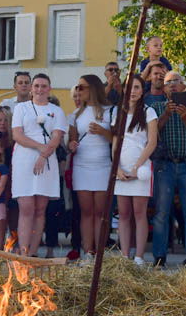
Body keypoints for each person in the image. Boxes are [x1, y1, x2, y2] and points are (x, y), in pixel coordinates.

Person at [149, 71, 186, 268]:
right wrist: (166, 114)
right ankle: (159, 256)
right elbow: (153, 134)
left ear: (183, 87)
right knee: (161, 213)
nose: (172, 85)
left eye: (176, 81)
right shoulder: (156, 108)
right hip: (163, 165)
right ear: (164, 89)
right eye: (168, 82)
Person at [11, 74, 64, 256]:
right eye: (36, 86)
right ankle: (23, 252)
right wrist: (39, 147)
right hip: (24, 160)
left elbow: (56, 137)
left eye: (43, 86)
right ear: (31, 88)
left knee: (40, 209)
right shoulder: (21, 108)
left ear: (49, 88)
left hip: (47, 162)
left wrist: (44, 154)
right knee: (26, 207)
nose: (40, 89)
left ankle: (33, 253)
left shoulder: (56, 111)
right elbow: (17, 135)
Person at [68, 75, 114, 260]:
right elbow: (72, 139)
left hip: (103, 164)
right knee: (86, 212)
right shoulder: (76, 114)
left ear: (93, 88)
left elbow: (116, 138)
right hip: (82, 164)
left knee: (100, 212)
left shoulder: (110, 110)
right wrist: (71, 145)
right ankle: (88, 253)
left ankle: (100, 254)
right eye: (78, 87)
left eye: (82, 87)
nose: (78, 91)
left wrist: (103, 131)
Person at [114, 75, 158, 265]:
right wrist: (116, 168)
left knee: (140, 214)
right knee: (123, 214)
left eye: (137, 87)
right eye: (129, 87)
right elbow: (115, 141)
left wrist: (136, 167)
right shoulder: (118, 112)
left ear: (142, 91)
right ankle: (124, 256)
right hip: (121, 171)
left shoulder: (149, 112)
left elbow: (152, 142)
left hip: (140, 170)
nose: (132, 91)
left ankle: (139, 257)